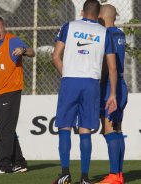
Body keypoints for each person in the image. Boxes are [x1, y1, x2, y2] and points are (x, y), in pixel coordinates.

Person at [52, 0, 118, 183]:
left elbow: (55, 56)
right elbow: (112, 68)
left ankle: (65, 173)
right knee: (85, 129)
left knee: (64, 126)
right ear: (98, 15)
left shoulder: (69, 26)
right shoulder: (105, 33)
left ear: (82, 12)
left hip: (70, 81)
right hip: (92, 83)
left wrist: (67, 74)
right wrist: (112, 94)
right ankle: (85, 178)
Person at [0, 15, 35, 174]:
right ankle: (19, 162)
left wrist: (23, 50)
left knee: (5, 129)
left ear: (4, 27)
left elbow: (32, 52)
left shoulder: (12, 41)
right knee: (7, 128)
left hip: (12, 91)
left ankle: (3, 165)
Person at [97, 4, 127, 184]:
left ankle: (114, 175)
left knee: (109, 129)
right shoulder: (120, 34)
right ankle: (119, 174)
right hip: (121, 84)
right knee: (117, 128)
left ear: (101, 15)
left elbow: (108, 64)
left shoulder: (105, 35)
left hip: (110, 85)